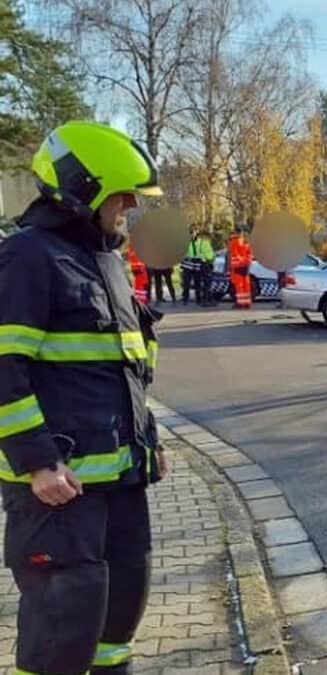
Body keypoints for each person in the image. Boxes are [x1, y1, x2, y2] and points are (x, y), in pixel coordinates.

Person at [0, 120, 167, 674]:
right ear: (81, 188)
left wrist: (150, 441)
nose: (129, 208)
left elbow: (129, 370)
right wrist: (38, 463)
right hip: (58, 491)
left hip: (121, 482)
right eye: (122, 196)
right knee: (60, 634)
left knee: (117, 620)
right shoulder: (27, 258)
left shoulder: (107, 263)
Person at [227, 226, 253, 309]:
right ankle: (247, 303)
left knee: (239, 286)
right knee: (246, 285)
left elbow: (232, 254)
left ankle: (240, 303)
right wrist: (246, 262)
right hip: (245, 266)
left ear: (235, 232)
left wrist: (230, 266)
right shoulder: (246, 242)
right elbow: (250, 254)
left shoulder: (233, 242)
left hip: (237, 267)